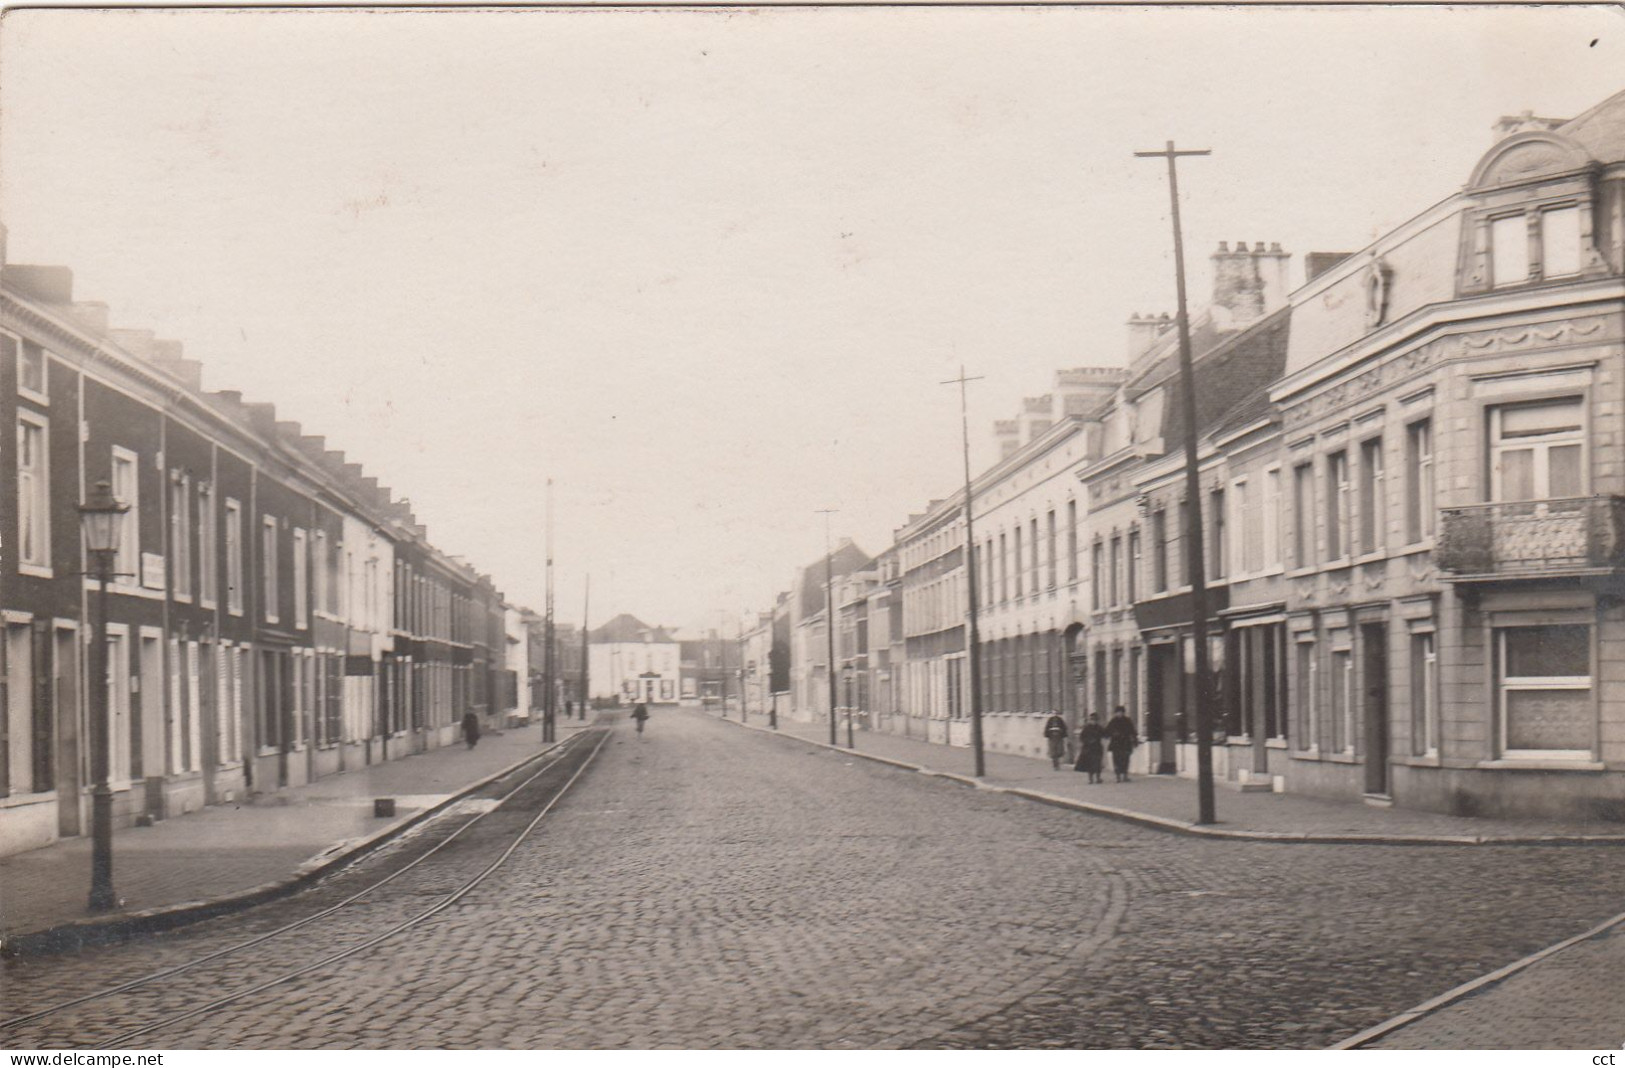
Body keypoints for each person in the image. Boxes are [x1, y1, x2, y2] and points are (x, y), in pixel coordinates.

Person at [1106, 705, 1138, 783]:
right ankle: (1118, 776)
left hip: (1125, 744)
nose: (1119, 714)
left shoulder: (1127, 721)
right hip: (1116, 744)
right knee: (1116, 760)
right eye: (1118, 712)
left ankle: (1125, 775)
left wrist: (1134, 740)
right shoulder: (1113, 721)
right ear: (1116, 713)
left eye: (1121, 712)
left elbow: (1132, 731)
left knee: (1125, 760)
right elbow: (1107, 731)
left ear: (1123, 713)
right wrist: (1113, 734)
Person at [1074, 713, 1106, 784]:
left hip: (1097, 747)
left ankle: (1098, 778)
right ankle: (1090, 779)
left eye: (1095, 720)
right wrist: (1088, 741)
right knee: (1090, 764)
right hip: (1088, 748)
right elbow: (1082, 737)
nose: (1094, 722)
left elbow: (1104, 734)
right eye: (1092, 720)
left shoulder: (1099, 728)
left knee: (1098, 763)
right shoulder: (1087, 728)